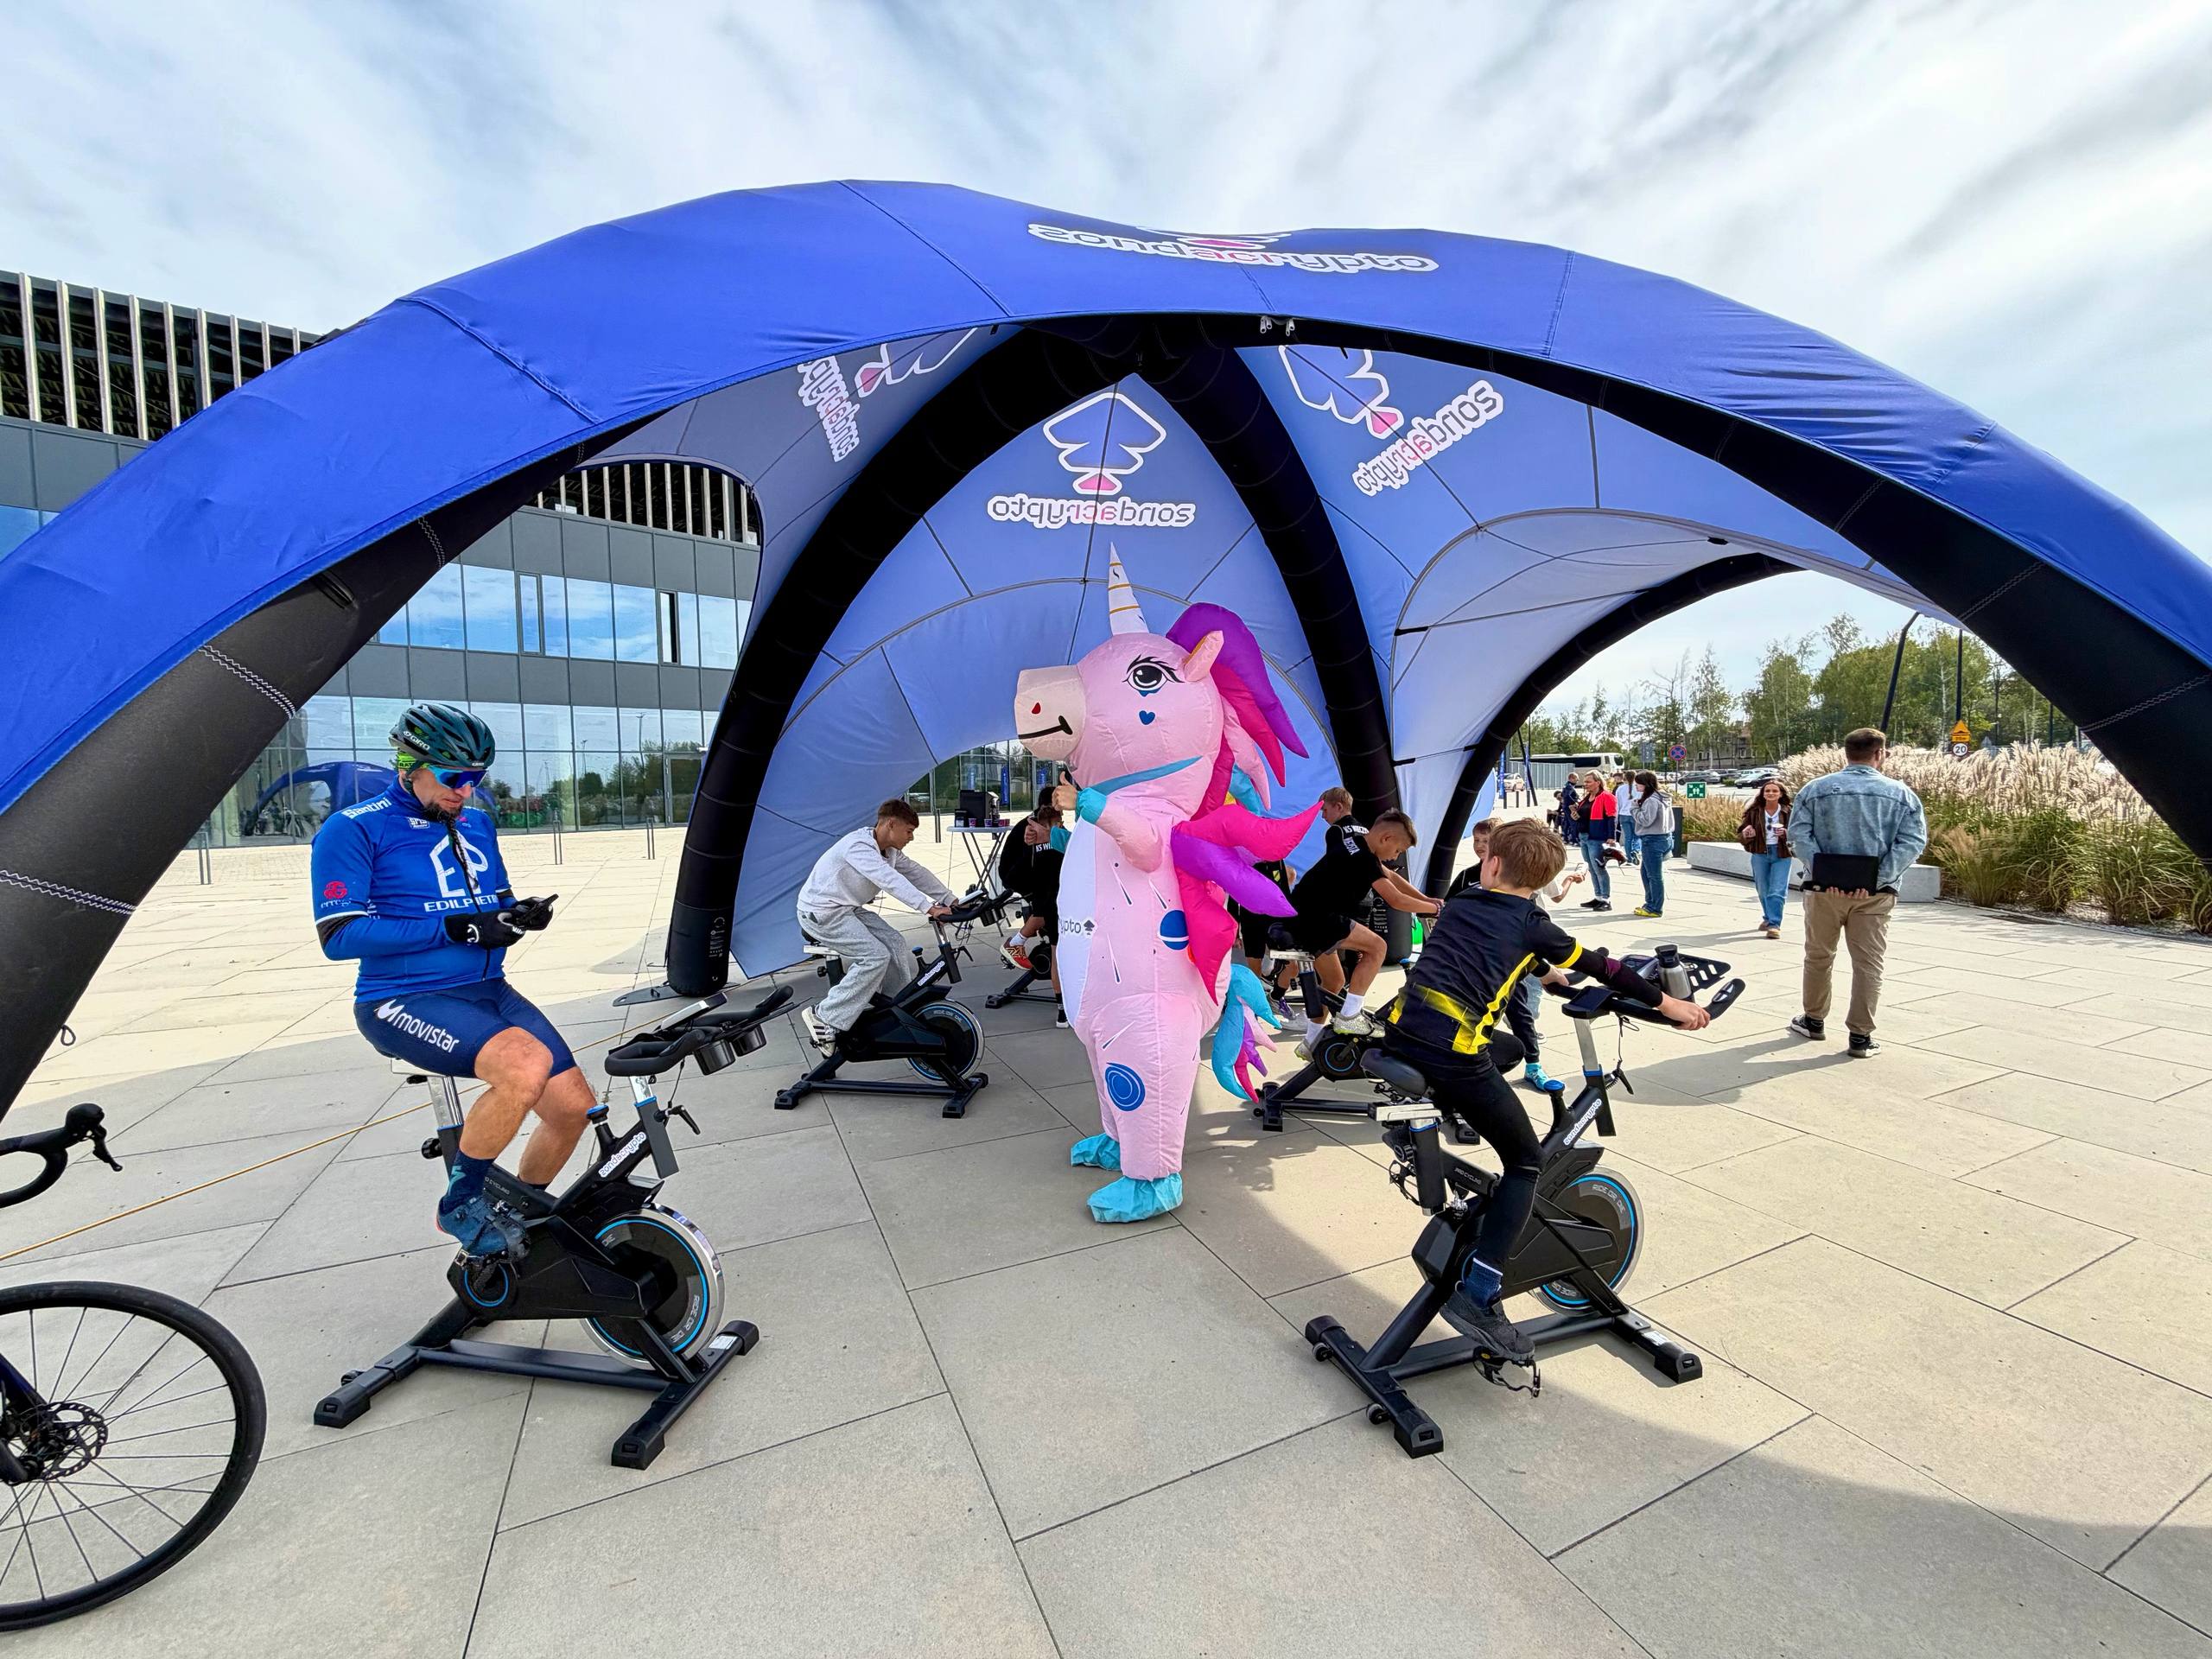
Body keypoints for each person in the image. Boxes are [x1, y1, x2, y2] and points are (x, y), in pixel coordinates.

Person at [1386, 818, 1709, 1364]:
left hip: (1402, 1030)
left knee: (1507, 1050)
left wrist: (1548, 976)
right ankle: (1480, 1292)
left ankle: (1424, 1128)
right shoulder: (1536, 922)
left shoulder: (1464, 899)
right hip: (1451, 1053)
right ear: (1543, 880)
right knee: (1525, 1163)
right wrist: (1669, 1004)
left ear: (1491, 865)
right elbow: (1605, 968)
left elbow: (1490, 946)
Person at [312, 702, 579, 1259]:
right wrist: (454, 927)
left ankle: (515, 1219)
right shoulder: (354, 827)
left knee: (572, 1109)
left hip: (489, 992)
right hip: (401, 998)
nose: (466, 791)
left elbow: (495, 903)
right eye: (453, 777)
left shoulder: (476, 822)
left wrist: (517, 914)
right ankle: (461, 1205)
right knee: (524, 1067)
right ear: (409, 764)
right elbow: (339, 936)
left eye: (477, 779)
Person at [1788, 728, 1928, 1058]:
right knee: (1869, 964)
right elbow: (1912, 842)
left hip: (1823, 890)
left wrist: (1826, 871)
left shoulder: (1815, 790)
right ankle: (1861, 1037)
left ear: (1845, 753)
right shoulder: (1902, 794)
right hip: (1874, 895)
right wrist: (1876, 878)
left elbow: (1798, 836)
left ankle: (1813, 1020)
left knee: (1819, 956)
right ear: (1880, 753)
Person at [796, 799, 958, 1052]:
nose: (911, 838)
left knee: (894, 942)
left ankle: (896, 1005)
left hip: (847, 909)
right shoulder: (858, 846)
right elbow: (888, 879)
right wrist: (928, 907)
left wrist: (950, 899)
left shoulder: (889, 851)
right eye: (909, 831)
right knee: (875, 957)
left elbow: (915, 872)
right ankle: (825, 1016)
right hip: (821, 913)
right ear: (891, 824)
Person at [1448, 817, 1585, 1092]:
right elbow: (1446, 909)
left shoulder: (1524, 877)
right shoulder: (1466, 877)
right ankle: (1470, 1069)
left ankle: (1534, 1065)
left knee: (1521, 1012)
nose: (1479, 846)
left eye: (1485, 842)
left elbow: (1544, 910)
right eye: (1476, 841)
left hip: (1517, 962)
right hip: (1477, 967)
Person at [1284, 806, 1441, 1044]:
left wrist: (1427, 900)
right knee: (1378, 947)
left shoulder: (1356, 843)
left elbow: (1394, 878)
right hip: (1318, 918)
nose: (1395, 856)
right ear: (1385, 838)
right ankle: (1350, 1016)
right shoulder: (1363, 859)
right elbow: (1395, 900)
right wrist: (1439, 910)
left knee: (1334, 981)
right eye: (1398, 849)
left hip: (1303, 916)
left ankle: (1311, 1042)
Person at [1738, 779, 1795, 938]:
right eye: (1767, 791)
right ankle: (1768, 917)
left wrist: (1786, 833)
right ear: (1762, 794)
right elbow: (1741, 833)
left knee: (1777, 891)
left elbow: (1799, 832)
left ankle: (1774, 924)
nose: (1771, 793)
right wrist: (1747, 834)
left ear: (1781, 794)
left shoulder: (1789, 811)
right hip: (1760, 853)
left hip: (1781, 854)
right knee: (1763, 890)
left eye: (1775, 791)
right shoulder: (1754, 811)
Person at [1630, 771, 1671, 917]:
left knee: (1654, 875)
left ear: (1646, 784)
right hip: (1664, 837)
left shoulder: (1651, 800)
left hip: (1652, 839)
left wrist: (1634, 809)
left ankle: (1655, 907)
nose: (1636, 786)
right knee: (1646, 873)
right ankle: (1650, 903)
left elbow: (1646, 820)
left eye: (1638, 783)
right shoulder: (1662, 797)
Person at [1579, 771, 1617, 912]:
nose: (1585, 784)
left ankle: (1606, 899)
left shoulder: (1606, 796)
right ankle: (1598, 896)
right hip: (1585, 836)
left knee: (1599, 868)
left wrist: (1611, 837)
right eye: (1585, 781)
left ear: (1598, 782)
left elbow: (1611, 817)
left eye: (1589, 781)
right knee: (1592, 868)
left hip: (1597, 837)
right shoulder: (1587, 797)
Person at [1614, 773, 1641, 867]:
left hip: (1623, 815)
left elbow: (1617, 804)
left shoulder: (1620, 789)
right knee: (1637, 836)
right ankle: (1636, 851)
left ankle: (1629, 858)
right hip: (1634, 814)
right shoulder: (1638, 788)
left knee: (1628, 837)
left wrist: (1616, 818)